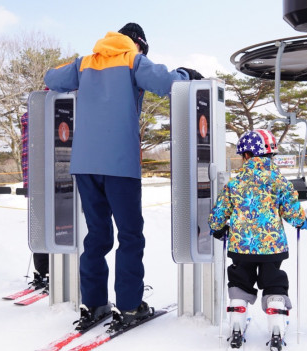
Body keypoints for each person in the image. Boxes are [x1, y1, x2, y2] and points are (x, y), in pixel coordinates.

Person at [44, 23, 203, 331]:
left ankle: (94, 303)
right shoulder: (133, 60)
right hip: (119, 164)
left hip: (85, 164)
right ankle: (129, 307)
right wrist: (186, 74)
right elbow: (167, 83)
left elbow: (51, 78)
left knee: (96, 235)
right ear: (139, 44)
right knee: (130, 235)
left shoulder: (84, 63)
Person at [208, 129, 307, 351]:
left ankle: (236, 323)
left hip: (241, 248)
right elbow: (292, 210)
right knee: (274, 282)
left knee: (240, 281)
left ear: (246, 156)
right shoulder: (279, 181)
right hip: (273, 248)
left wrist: (217, 227)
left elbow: (219, 213)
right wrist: (301, 221)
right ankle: (276, 325)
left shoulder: (235, 183)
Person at [20, 112, 50, 290]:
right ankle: (52, 272)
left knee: (40, 228)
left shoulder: (29, 117)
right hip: (53, 183)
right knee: (58, 230)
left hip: (34, 183)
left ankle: (41, 272)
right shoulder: (54, 111)